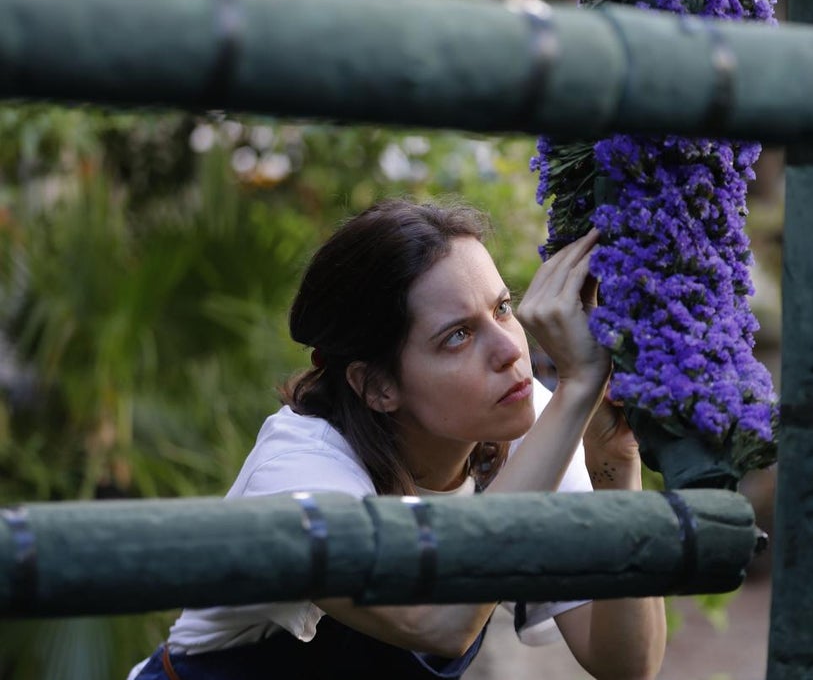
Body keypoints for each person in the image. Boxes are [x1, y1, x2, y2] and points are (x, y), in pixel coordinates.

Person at [128, 198, 666, 679]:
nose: (510, 350)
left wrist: (617, 465)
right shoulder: (299, 472)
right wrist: (577, 391)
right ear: (377, 386)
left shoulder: (525, 420)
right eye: (458, 336)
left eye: (502, 308)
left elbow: (625, 663)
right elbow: (439, 620)